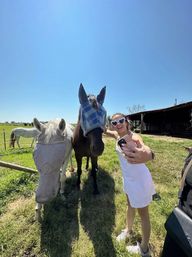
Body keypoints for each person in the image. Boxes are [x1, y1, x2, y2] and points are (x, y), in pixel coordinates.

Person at [105, 113, 155, 257]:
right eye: (114, 122)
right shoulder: (117, 136)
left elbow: (144, 147)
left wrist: (148, 153)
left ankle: (145, 250)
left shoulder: (134, 137)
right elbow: (108, 132)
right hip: (128, 179)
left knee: (143, 213)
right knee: (130, 205)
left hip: (139, 181)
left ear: (127, 122)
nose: (118, 124)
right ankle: (128, 229)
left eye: (120, 121)